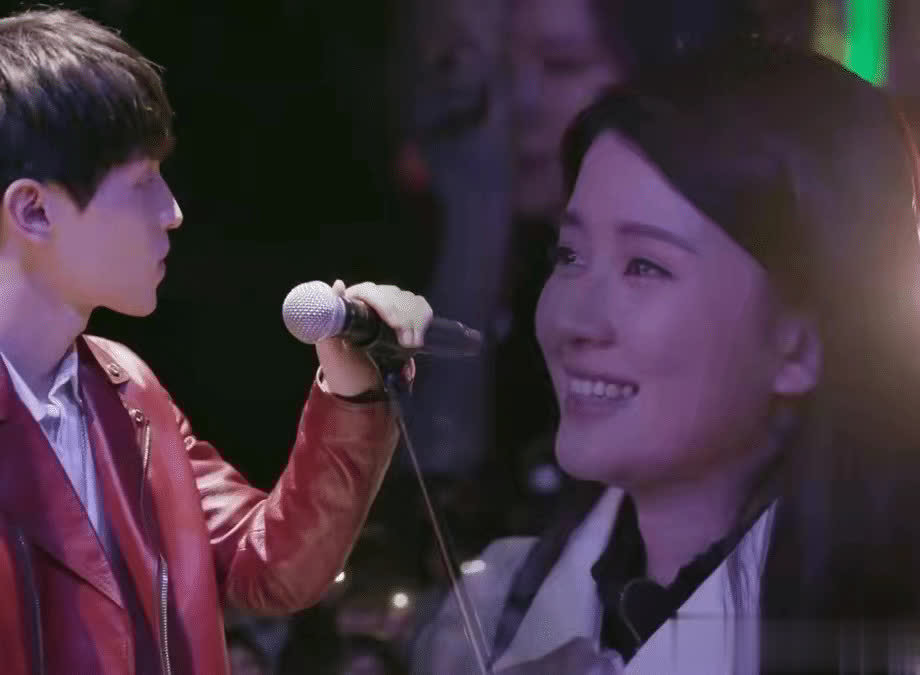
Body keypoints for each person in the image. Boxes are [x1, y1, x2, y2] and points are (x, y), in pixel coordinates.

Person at [413, 38, 920, 674]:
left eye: (644, 266)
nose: (571, 321)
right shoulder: (490, 613)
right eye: (569, 255)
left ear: (800, 344)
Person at [0, 8, 433, 675]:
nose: (172, 211)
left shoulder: (128, 389)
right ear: (33, 209)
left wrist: (353, 391)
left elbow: (271, 567)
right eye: (141, 182)